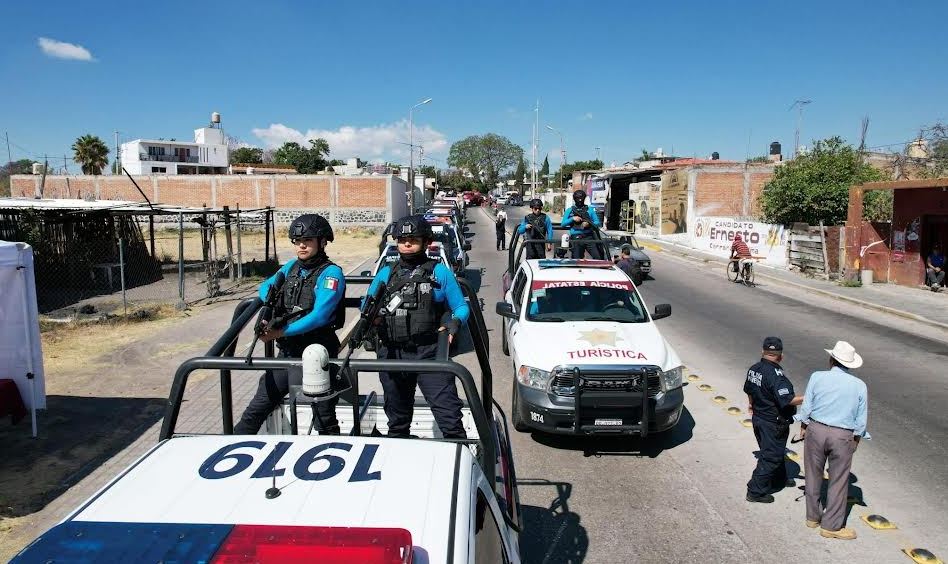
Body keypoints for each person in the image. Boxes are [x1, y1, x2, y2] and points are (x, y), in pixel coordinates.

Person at [235, 214, 345, 435]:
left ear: (322, 242)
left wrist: (281, 331)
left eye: (308, 241)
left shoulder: (331, 273)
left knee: (324, 417)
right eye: (297, 241)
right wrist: (271, 307)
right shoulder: (291, 268)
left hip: (318, 351)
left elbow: (320, 316)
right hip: (289, 351)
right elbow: (265, 287)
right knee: (256, 409)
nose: (302, 246)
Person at [364, 214, 471, 439]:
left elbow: (461, 306)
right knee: (397, 420)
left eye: (413, 238)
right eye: (402, 239)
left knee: (449, 416)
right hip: (393, 353)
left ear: (426, 242)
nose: (407, 243)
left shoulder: (438, 272)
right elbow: (367, 305)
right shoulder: (386, 273)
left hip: (429, 353)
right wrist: (372, 317)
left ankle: (462, 454)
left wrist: (454, 324)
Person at [796, 341, 868, 540]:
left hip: (816, 429)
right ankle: (831, 526)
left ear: (831, 360)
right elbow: (861, 420)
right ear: (850, 364)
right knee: (838, 481)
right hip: (842, 435)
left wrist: (803, 426)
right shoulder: (859, 385)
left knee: (812, 474)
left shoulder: (817, 377)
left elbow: (808, 405)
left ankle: (812, 517)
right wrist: (856, 440)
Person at [743, 337, 804, 503]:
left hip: (759, 417)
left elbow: (749, 389)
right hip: (773, 421)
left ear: (763, 351)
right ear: (781, 356)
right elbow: (788, 399)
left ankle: (779, 479)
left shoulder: (754, 369)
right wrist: (809, 398)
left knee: (774, 450)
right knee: (771, 456)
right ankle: (755, 491)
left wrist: (751, 404)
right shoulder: (777, 376)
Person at [561, 189, 602, 259]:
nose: (580, 201)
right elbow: (563, 224)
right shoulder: (570, 210)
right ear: (575, 199)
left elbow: (597, 222)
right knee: (576, 259)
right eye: (578, 199)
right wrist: (572, 219)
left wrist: (588, 224)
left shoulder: (590, 209)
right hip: (576, 237)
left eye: (581, 199)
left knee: (598, 257)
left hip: (588, 237)